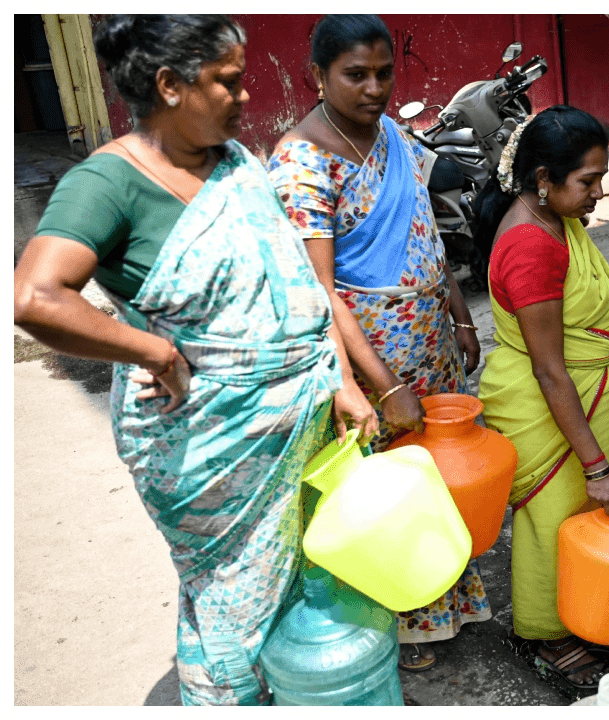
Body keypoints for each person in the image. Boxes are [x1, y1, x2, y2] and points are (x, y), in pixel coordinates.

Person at [12, 15, 378, 704]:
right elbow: (34, 298)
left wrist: (343, 380)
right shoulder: (108, 182)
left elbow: (298, 283)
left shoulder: (237, 163)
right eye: (230, 82)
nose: (246, 98)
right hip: (209, 442)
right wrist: (151, 348)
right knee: (232, 596)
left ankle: (298, 689)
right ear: (170, 85)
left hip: (306, 418)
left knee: (306, 580)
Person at [267, 14, 489, 674]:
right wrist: (385, 386)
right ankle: (392, 622)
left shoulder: (392, 134)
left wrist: (461, 315)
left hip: (432, 345)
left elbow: (426, 234)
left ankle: (438, 604)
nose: (373, 89)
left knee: (436, 482)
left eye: (384, 73)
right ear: (317, 76)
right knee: (385, 498)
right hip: (370, 362)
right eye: (354, 75)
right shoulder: (303, 161)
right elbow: (321, 294)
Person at [474, 106, 609, 691]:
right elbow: (551, 371)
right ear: (542, 179)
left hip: (587, 392)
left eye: (601, 177)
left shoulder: (558, 221)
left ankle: (601, 600)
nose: (599, 193)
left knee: (588, 519)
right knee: (558, 520)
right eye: (588, 181)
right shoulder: (531, 246)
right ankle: (549, 631)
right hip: (552, 404)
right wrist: (597, 464)